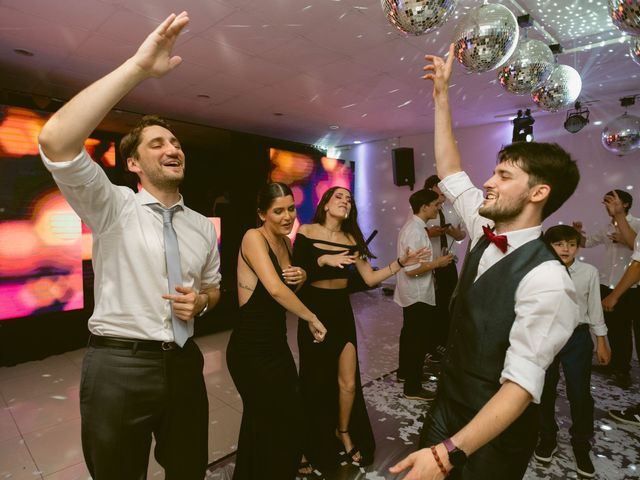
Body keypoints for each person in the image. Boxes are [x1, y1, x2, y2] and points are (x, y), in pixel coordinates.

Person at [38, 13, 221, 480]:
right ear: (134, 162)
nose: (172, 147)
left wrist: (200, 301)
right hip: (119, 366)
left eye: (176, 141)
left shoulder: (202, 226)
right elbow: (56, 140)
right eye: (157, 143)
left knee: (189, 471)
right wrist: (139, 66)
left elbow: (213, 289)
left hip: (184, 364)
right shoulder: (113, 206)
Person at [390, 44, 580, 480]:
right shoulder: (483, 227)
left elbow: (519, 388)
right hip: (446, 405)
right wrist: (442, 97)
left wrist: (446, 455)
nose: (488, 182)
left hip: (493, 432)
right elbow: (451, 171)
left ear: (538, 193)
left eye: (504, 176)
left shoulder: (549, 280)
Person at [293, 186, 428, 472]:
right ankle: (307, 441)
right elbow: (299, 272)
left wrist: (400, 263)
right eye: (339, 197)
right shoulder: (306, 231)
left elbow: (369, 279)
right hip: (314, 312)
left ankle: (343, 431)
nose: (345, 201)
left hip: (340, 312)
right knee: (314, 383)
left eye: (349, 199)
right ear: (325, 204)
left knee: (349, 382)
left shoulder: (351, 239)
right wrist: (323, 260)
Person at [226, 182, 326, 479]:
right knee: (266, 417)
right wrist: (311, 317)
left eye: (291, 209)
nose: (287, 216)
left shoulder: (286, 243)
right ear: (262, 214)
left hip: (275, 345)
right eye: (278, 211)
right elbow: (274, 289)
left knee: (285, 413)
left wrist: (304, 274)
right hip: (249, 348)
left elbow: (290, 286)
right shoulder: (252, 238)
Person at [534, 225, 610, 479]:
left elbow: (594, 308)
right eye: (559, 244)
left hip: (577, 338)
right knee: (544, 390)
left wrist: (601, 340)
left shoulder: (588, 272)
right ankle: (547, 437)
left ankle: (581, 443)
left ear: (578, 246)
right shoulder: (539, 271)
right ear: (549, 246)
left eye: (571, 244)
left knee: (580, 393)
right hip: (547, 337)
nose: (566, 249)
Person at [573, 189, 640, 389]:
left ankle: (623, 371)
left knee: (628, 332)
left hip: (631, 288)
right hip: (606, 285)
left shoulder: (637, 224)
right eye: (606, 202)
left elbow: (634, 246)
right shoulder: (606, 227)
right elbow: (587, 243)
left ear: (625, 204)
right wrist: (577, 234)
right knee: (614, 330)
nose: (607, 205)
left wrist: (625, 238)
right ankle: (614, 364)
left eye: (612, 201)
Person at [395, 188, 454, 400]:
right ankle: (412, 387)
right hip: (417, 294)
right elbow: (411, 269)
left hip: (415, 292)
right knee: (417, 340)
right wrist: (439, 263)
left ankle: (405, 374)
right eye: (436, 205)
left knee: (411, 336)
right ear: (425, 207)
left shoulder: (416, 227)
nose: (438, 208)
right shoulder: (416, 230)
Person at [423, 174, 466, 361]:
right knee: (432, 306)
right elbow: (412, 232)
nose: (443, 195)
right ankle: (431, 345)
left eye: (444, 191)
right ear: (430, 189)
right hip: (429, 264)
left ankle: (444, 342)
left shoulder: (452, 209)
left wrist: (452, 231)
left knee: (448, 304)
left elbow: (461, 235)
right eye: (439, 191)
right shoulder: (421, 208)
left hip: (448, 262)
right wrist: (429, 232)